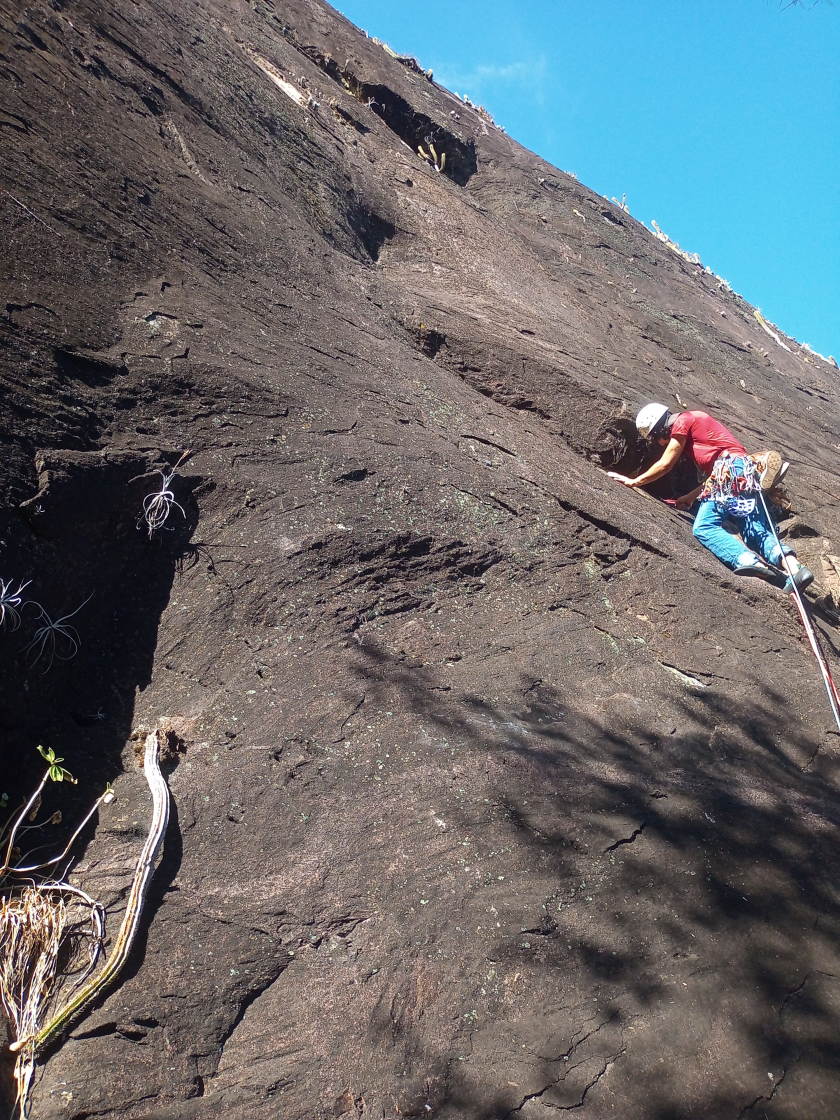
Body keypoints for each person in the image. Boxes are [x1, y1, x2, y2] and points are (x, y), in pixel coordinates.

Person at [608, 403, 813, 592]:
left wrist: (633, 481)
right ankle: (795, 570)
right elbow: (718, 476)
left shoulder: (683, 421)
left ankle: (748, 561)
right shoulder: (698, 421)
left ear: (660, 427)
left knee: (704, 526)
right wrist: (690, 496)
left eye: (655, 438)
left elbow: (666, 464)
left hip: (729, 471)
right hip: (744, 474)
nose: (660, 443)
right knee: (756, 533)